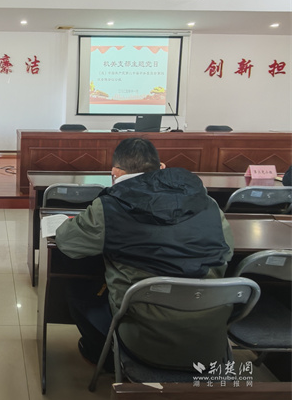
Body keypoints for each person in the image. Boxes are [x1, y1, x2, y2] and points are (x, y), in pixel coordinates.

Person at [55, 138, 234, 370]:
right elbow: (227, 251)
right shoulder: (208, 203)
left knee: (75, 285)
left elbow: (67, 242)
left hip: (144, 339)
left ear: (115, 173)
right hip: (209, 337)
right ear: (161, 167)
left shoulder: (109, 207)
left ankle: (101, 355)